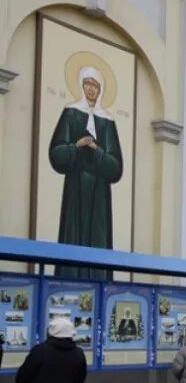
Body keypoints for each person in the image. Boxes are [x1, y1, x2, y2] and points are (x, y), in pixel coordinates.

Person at [48, 66, 123, 280]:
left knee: (98, 243)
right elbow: (56, 153)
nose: (91, 89)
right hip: (75, 189)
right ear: (82, 85)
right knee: (73, 237)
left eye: (96, 85)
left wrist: (97, 152)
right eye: (88, 84)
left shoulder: (107, 121)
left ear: (101, 90)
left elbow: (116, 167)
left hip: (100, 195)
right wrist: (75, 146)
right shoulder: (70, 113)